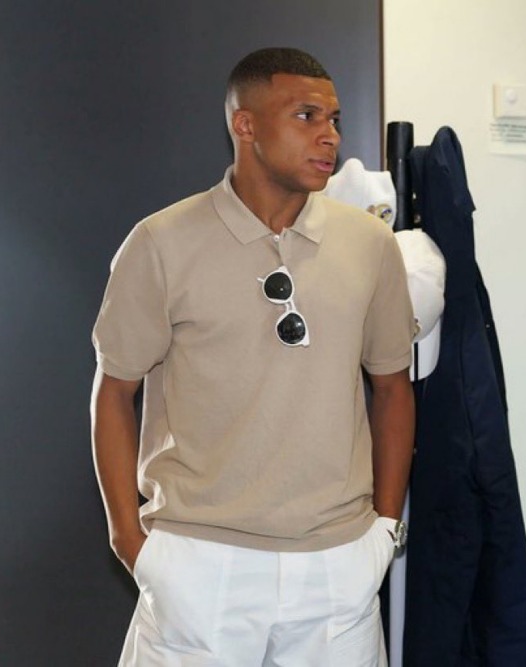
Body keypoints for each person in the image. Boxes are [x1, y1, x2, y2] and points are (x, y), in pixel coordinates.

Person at [90, 47, 415, 666]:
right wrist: (131, 540)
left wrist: (384, 531)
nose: (330, 136)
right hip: (200, 563)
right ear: (245, 125)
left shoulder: (370, 244)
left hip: (337, 564)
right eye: (306, 116)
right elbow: (114, 391)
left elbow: (393, 387)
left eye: (335, 119)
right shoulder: (161, 242)